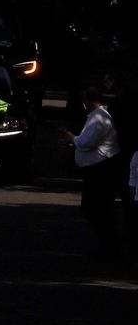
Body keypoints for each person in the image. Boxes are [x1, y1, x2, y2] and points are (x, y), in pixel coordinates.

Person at [69, 88, 121, 259]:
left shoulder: (99, 117)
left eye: (84, 100)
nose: (83, 103)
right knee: (99, 207)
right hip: (97, 168)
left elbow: (86, 142)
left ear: (89, 100)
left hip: (100, 170)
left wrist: (72, 138)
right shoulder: (96, 116)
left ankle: (108, 245)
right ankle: (107, 245)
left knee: (94, 206)